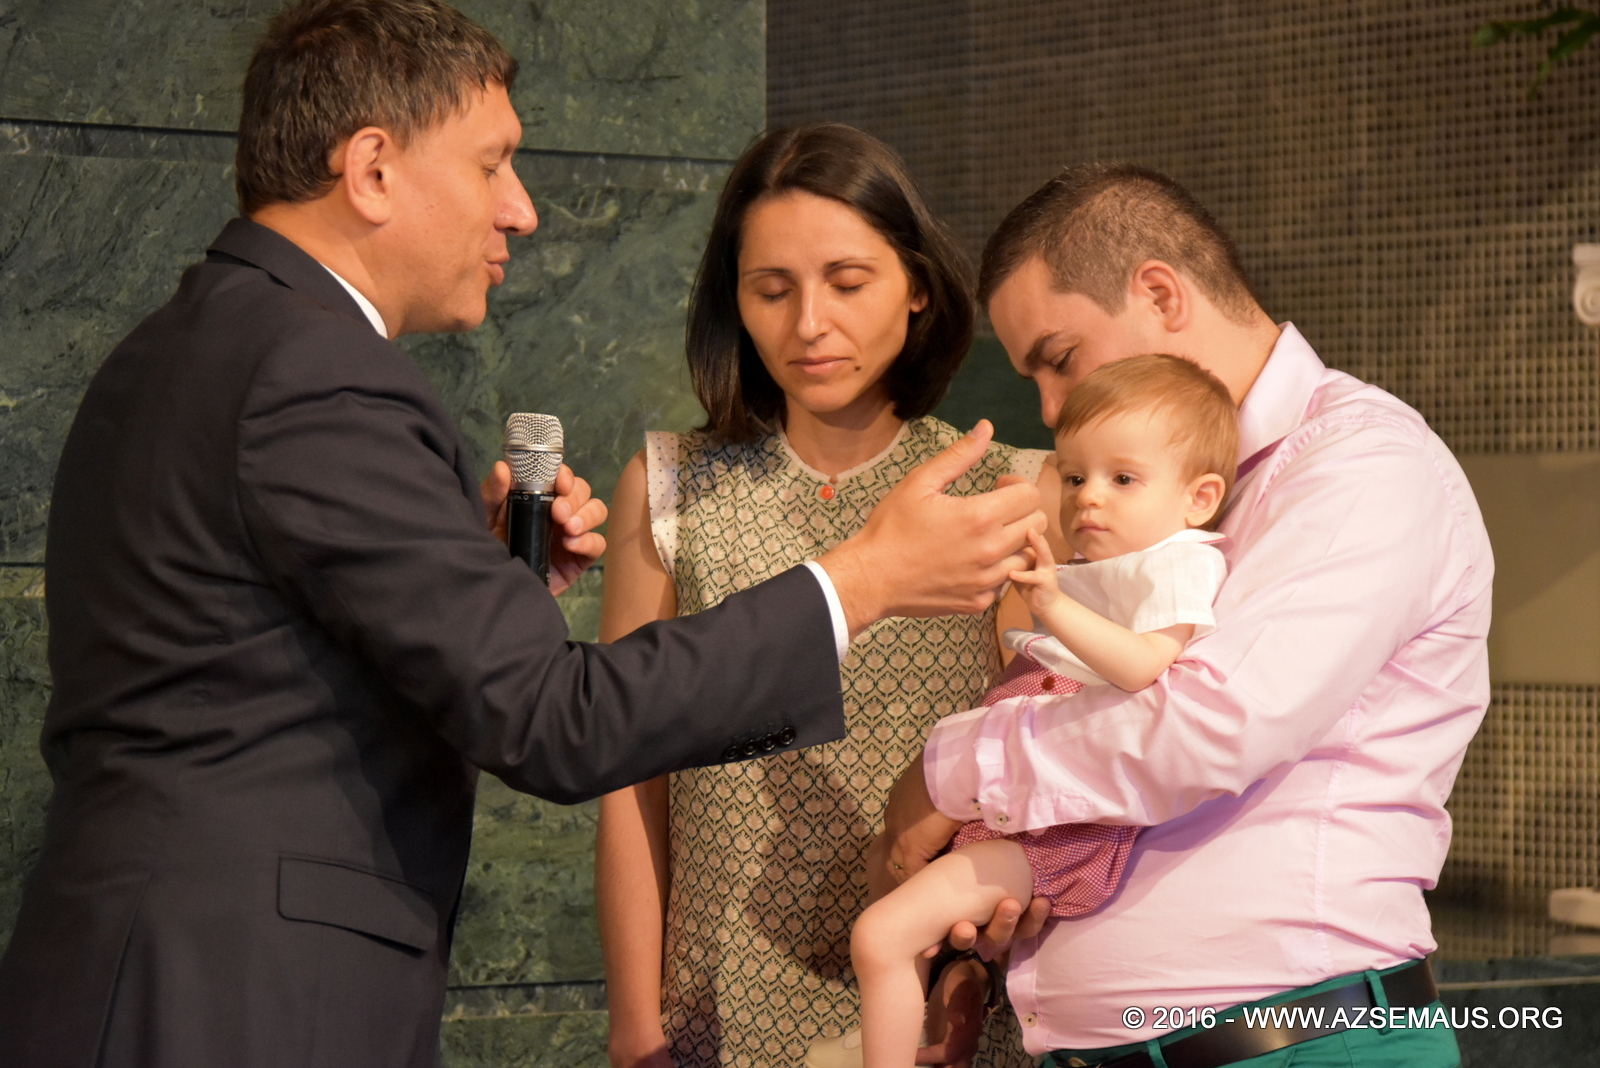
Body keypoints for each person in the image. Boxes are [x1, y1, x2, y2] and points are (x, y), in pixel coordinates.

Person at [0, 5, 1045, 1067]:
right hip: (227, 993)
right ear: (372, 170)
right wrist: (859, 580)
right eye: (492, 162)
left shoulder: (191, 341)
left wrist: (481, 577)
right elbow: (556, 722)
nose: (523, 210)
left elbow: (261, 652)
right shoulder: (313, 373)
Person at [876, 163, 1492, 1067]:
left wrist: (955, 769)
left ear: (1161, 294)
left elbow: (1207, 726)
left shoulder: (1360, 467)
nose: (1051, 409)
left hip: (1297, 1045)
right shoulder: (1127, 499)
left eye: (1059, 358)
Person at [595, 123, 1052, 1068]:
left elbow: (1042, 752)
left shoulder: (1007, 490)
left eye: (847, 283)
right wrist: (636, 1022)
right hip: (718, 1002)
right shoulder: (672, 486)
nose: (809, 324)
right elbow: (628, 775)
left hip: (942, 1004)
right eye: (772, 290)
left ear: (917, 285)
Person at [838, 354, 1234, 1068]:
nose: (1089, 499)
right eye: (1076, 478)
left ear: (1199, 497)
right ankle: (937, 1016)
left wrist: (1050, 603)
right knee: (895, 884)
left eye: (1122, 479)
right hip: (1015, 801)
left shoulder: (1182, 560)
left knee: (881, 935)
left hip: (1051, 826)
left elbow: (1142, 665)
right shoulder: (1101, 567)